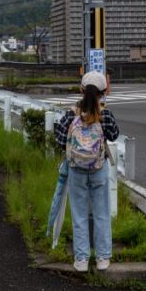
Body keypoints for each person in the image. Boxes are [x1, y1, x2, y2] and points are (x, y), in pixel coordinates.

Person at [53, 70, 120, 272]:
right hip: (99, 169)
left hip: (76, 170)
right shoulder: (105, 114)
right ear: (102, 93)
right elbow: (114, 135)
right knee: (102, 213)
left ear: (81, 90)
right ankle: (103, 258)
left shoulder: (71, 114)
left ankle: (81, 259)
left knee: (79, 214)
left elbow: (59, 139)